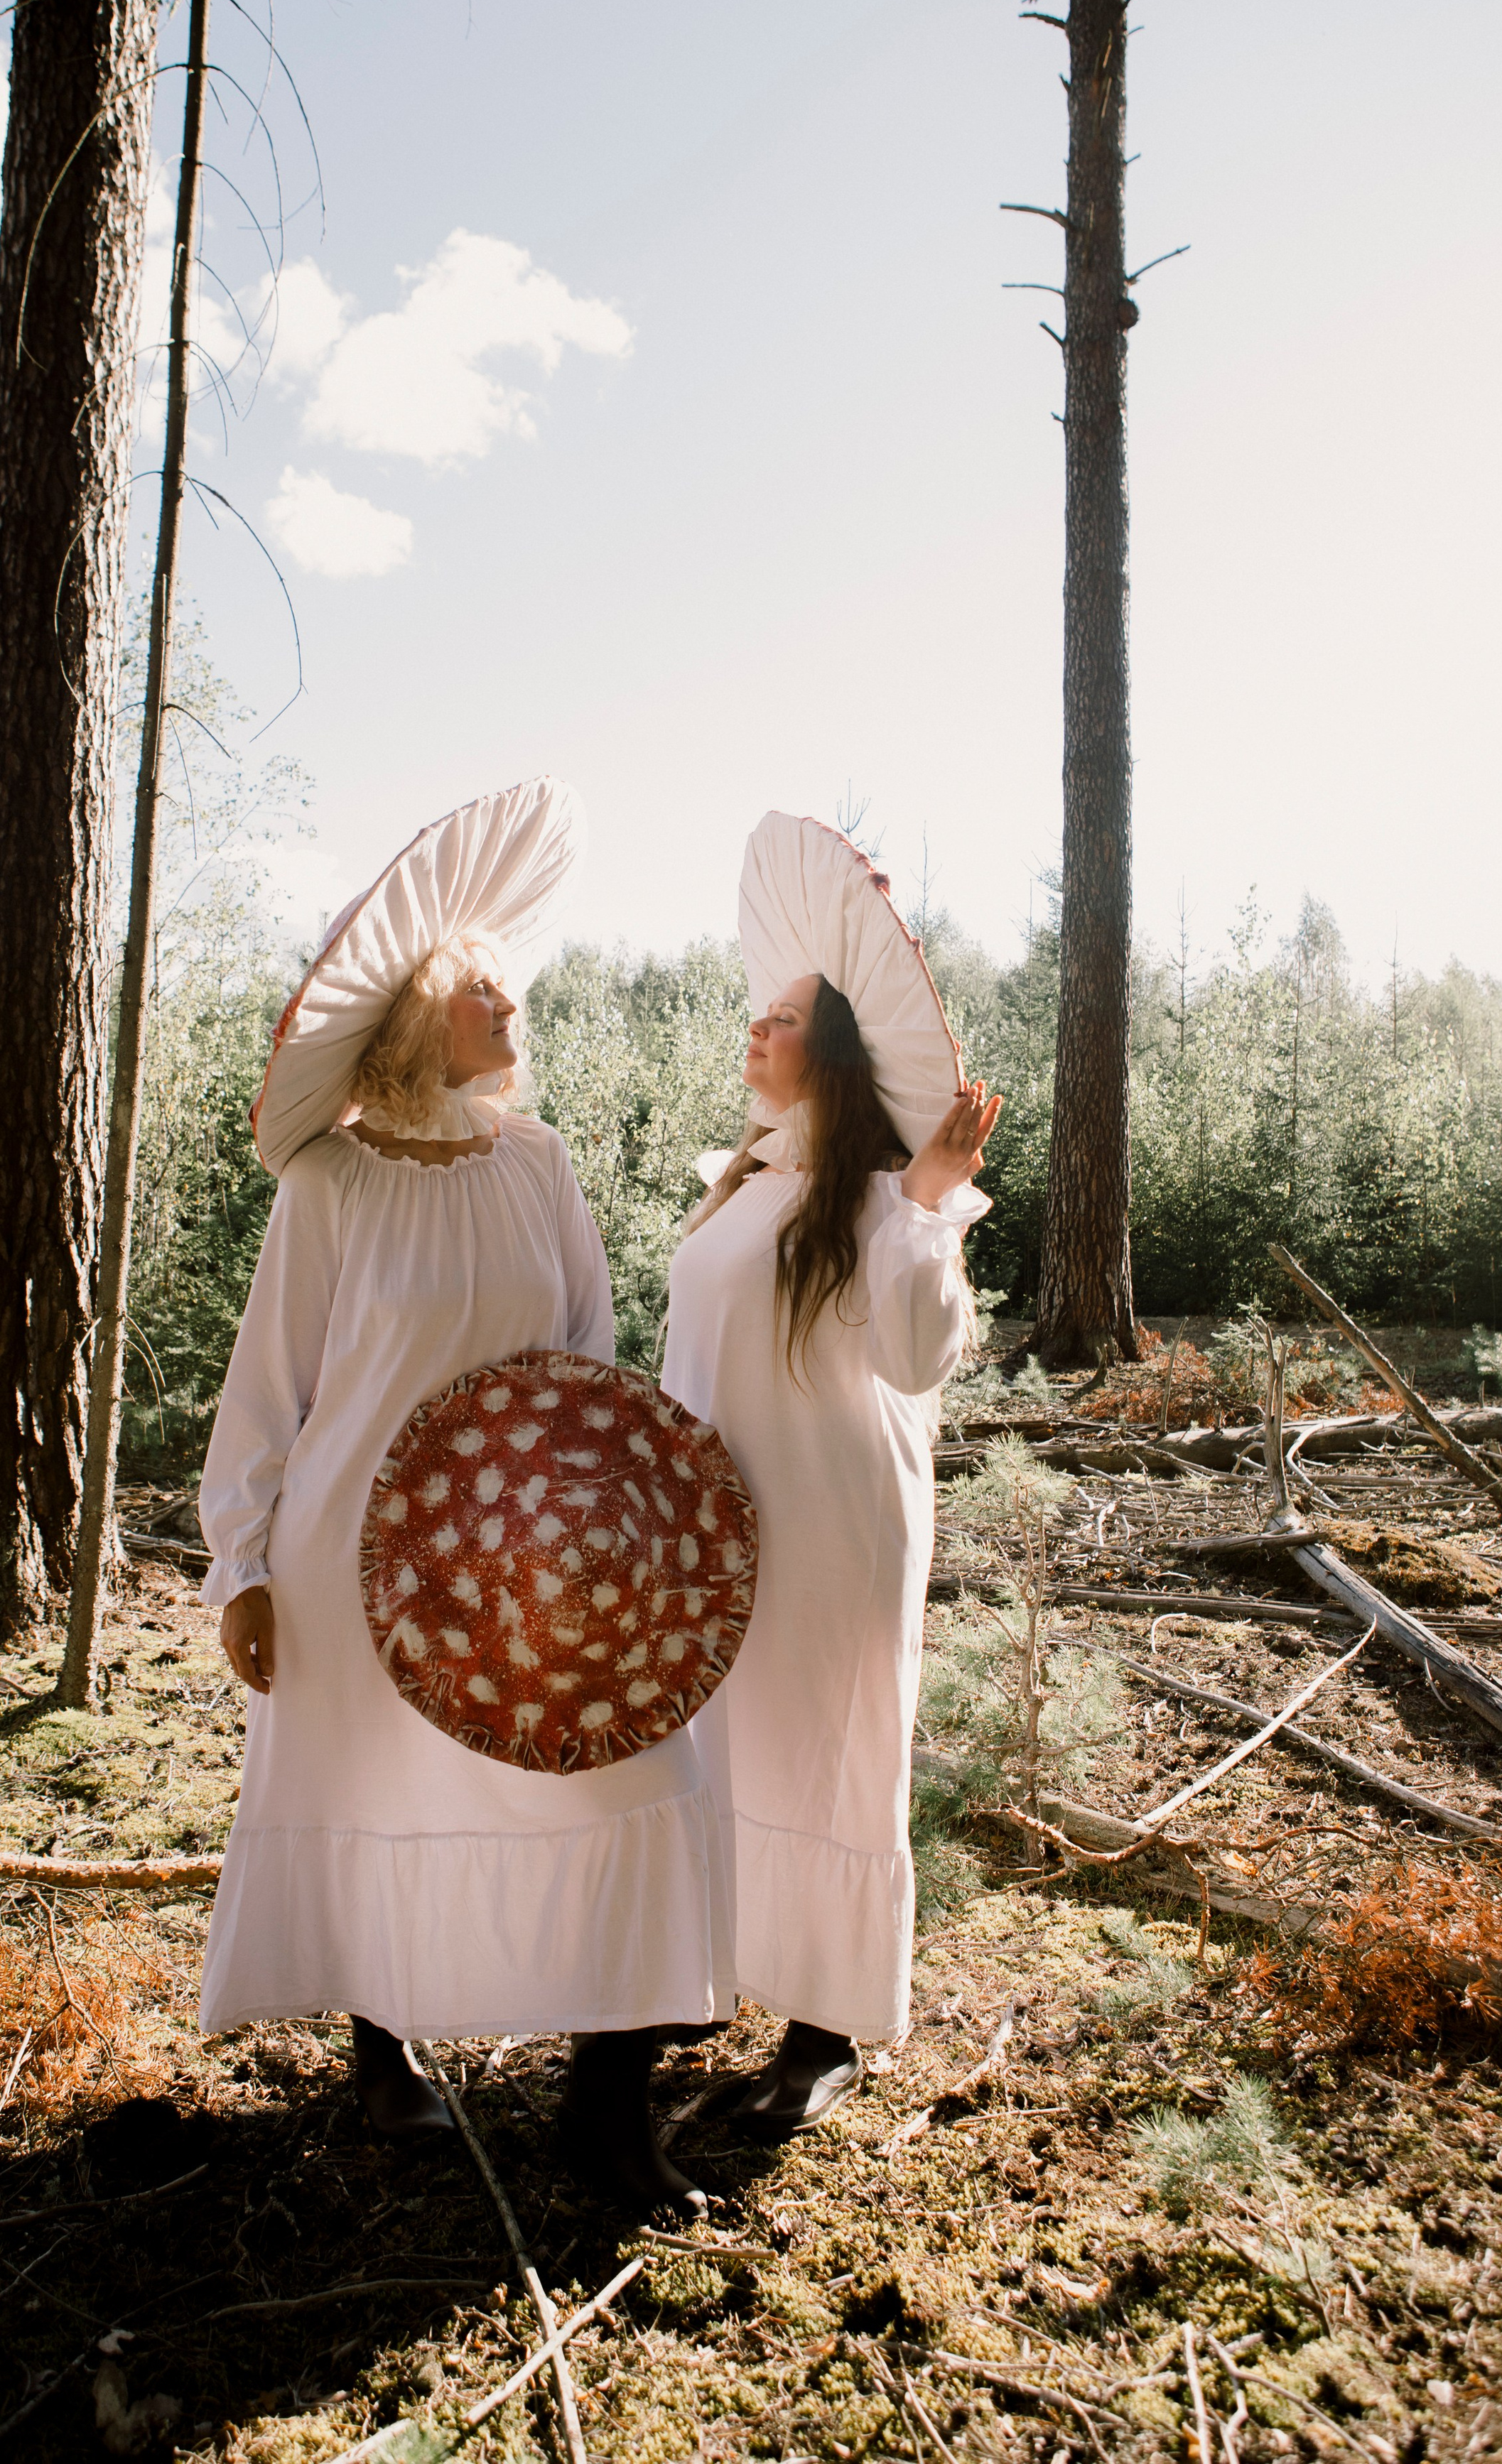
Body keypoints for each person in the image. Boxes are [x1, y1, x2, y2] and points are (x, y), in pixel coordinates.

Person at [198, 778, 712, 2208]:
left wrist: (605, 1517)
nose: (510, 999)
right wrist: (242, 1565)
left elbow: (590, 1347)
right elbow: (269, 1387)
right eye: (483, 984)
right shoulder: (332, 1183)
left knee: (636, 1777)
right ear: (422, 1010)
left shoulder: (538, 1162)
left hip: (528, 1550)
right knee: (375, 1787)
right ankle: (384, 2052)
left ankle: (606, 2107)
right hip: (351, 1553)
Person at [661, 811, 1002, 2136]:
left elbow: (918, 1358)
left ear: (841, 1054)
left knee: (829, 1749)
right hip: (717, 1517)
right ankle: (724, 1968)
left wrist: (927, 1206)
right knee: (727, 1742)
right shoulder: (745, 1179)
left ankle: (826, 2029)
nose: (757, 1028)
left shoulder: (878, 1198)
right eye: (760, 1013)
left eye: (786, 1018)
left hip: (832, 1520)